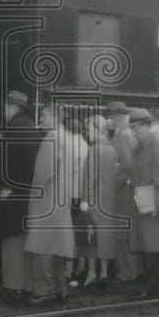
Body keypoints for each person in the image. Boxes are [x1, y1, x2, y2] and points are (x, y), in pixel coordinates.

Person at [24, 104, 75, 306]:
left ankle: (43, 290)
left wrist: (33, 194)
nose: (41, 119)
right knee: (58, 247)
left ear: (54, 117)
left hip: (46, 200)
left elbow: (43, 174)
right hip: (61, 199)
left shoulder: (50, 139)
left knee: (42, 246)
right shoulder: (68, 138)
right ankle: (60, 288)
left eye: (44, 115)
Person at [0, 90, 40, 299]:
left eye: (5, 107)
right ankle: (29, 284)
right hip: (31, 193)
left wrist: (4, 186)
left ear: (13, 107)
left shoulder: (11, 130)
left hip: (13, 193)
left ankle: (13, 286)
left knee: (11, 241)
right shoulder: (33, 129)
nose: (4, 111)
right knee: (27, 239)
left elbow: (5, 164)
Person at [127, 108, 159, 300]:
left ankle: (154, 290)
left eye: (136, 128)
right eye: (131, 128)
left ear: (147, 125)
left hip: (155, 204)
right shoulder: (142, 144)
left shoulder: (156, 142)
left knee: (155, 249)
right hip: (145, 202)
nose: (133, 132)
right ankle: (155, 289)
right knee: (150, 248)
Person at [80, 114, 119, 288]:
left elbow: (90, 177)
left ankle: (91, 273)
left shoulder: (94, 149)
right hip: (109, 200)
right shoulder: (112, 149)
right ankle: (103, 272)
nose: (87, 134)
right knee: (105, 236)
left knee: (91, 237)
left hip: (94, 199)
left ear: (97, 129)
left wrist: (85, 200)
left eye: (88, 130)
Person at [106, 101, 141, 282]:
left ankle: (128, 272)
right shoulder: (121, 134)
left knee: (122, 234)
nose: (108, 120)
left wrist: (113, 185)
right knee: (123, 233)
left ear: (116, 118)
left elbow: (127, 165)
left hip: (123, 192)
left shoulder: (124, 135)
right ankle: (127, 271)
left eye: (109, 117)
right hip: (124, 190)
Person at [65, 113, 91, 286]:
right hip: (81, 194)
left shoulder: (71, 146)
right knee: (79, 231)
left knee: (69, 232)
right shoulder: (85, 145)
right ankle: (80, 266)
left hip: (70, 193)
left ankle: (67, 269)